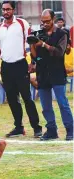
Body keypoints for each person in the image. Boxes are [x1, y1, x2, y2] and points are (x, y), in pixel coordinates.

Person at [0, 1, 42, 138]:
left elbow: (32, 42)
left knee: (27, 98)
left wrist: (33, 61)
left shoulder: (22, 24)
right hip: (6, 66)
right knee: (12, 99)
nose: (5, 12)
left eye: (8, 9)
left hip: (20, 64)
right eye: (3, 9)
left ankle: (37, 127)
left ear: (13, 10)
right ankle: (19, 127)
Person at [30, 9, 73, 141]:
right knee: (45, 105)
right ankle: (51, 130)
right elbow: (35, 57)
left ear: (53, 19)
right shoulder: (38, 34)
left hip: (57, 72)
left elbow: (59, 52)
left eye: (47, 21)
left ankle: (70, 129)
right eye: (42, 22)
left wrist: (43, 44)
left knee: (62, 103)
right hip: (42, 73)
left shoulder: (62, 33)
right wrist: (32, 45)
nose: (44, 24)